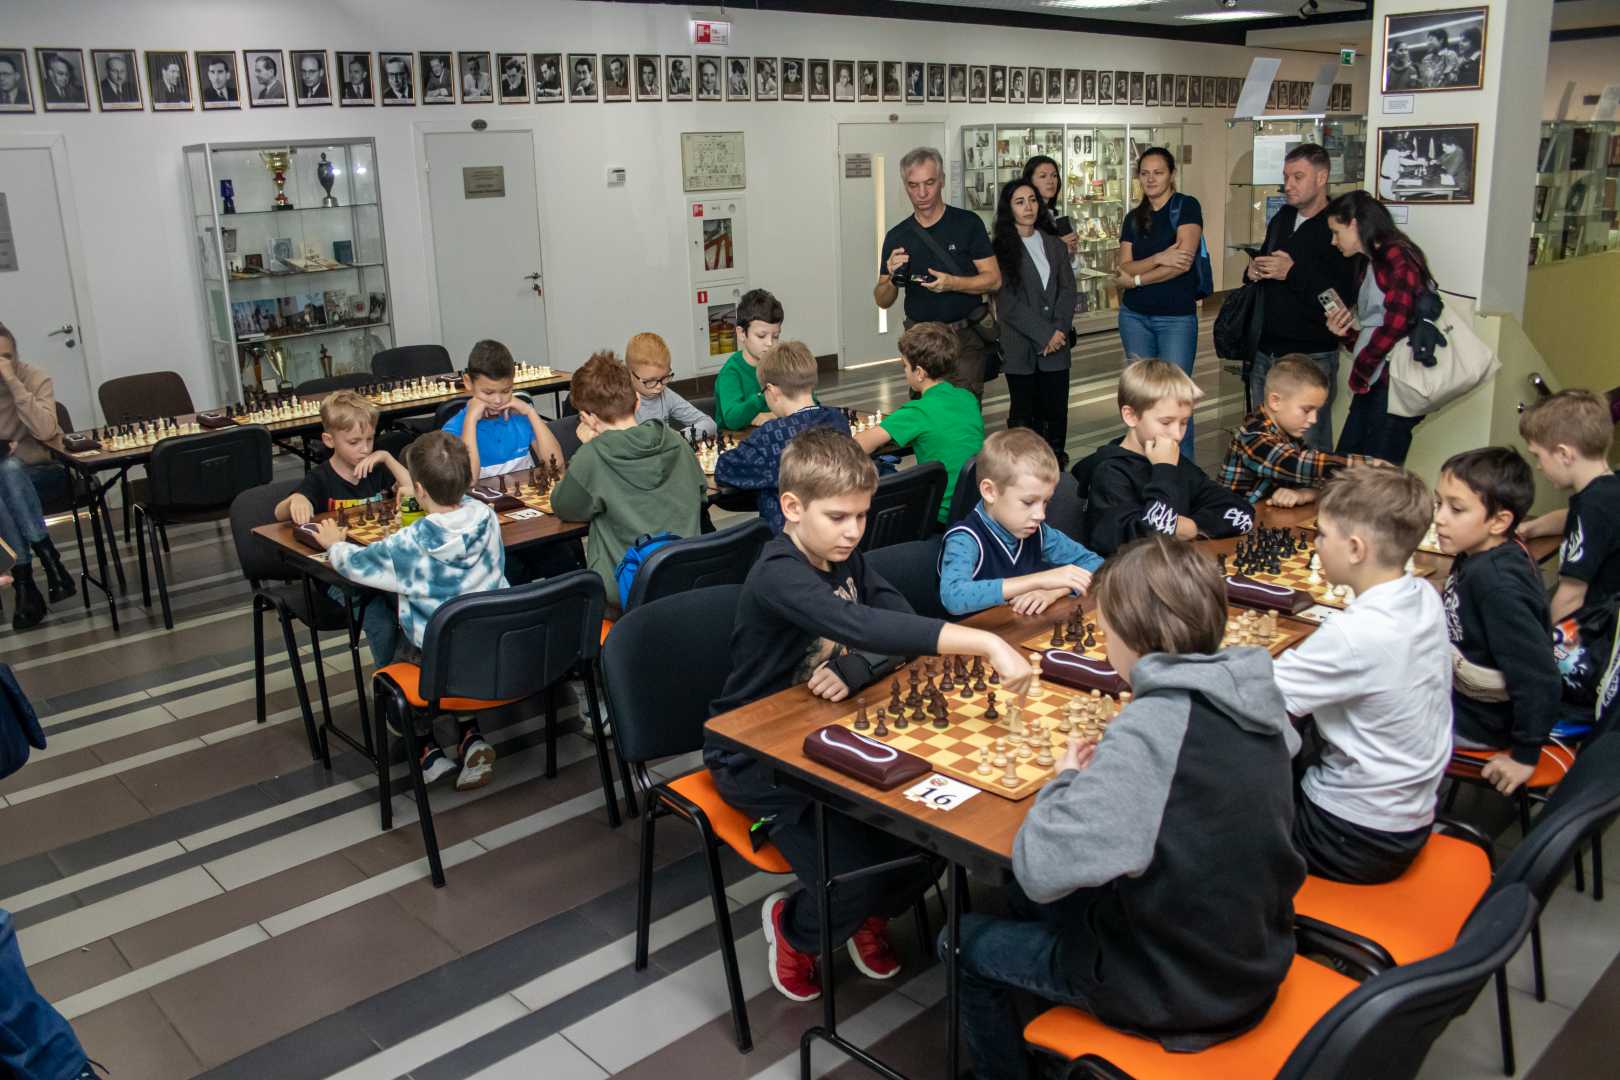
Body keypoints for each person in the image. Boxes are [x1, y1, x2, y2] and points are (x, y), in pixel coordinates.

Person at [955, 535, 1305, 1078]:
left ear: (1129, 634)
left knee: (961, 943)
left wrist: (1065, 782)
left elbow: (1039, 867)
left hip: (1179, 992)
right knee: (1031, 902)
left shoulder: (1154, 727)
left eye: (1105, 627)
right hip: (1254, 952)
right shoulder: (1254, 695)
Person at [705, 427, 1033, 1003]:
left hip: (831, 729)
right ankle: (797, 930)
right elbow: (860, 624)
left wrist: (858, 668)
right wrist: (984, 643)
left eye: (861, 515)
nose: (854, 531)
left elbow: (896, 618)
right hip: (755, 754)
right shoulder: (779, 571)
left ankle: (865, 915)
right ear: (792, 507)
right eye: (838, 517)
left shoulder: (845, 556)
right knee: (849, 875)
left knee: (931, 844)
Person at [1273, 464, 1451, 883]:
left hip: (1352, 837)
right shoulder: (1423, 595)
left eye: (1321, 534)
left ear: (1355, 549)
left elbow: (1254, 697)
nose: (1316, 544)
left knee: (1214, 812)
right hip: (1409, 813)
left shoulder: (1355, 635)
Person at [311, 432, 506, 790]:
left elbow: (356, 566)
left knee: (393, 665)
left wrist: (334, 545)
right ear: (467, 480)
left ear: (419, 490)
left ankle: (425, 749)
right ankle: (470, 736)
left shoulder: (411, 542)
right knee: (458, 643)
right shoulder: (486, 517)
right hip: (491, 642)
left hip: (434, 653)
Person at [1434, 448, 1562, 796]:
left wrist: (1524, 756)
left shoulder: (1498, 585)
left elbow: (1539, 677)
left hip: (1478, 723)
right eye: (1438, 503)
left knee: (1362, 711)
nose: (1439, 518)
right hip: (1462, 699)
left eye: (1456, 509)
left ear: (1499, 521)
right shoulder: (1479, 555)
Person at [550, 353, 706, 617]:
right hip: (688, 579)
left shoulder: (593, 457)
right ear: (637, 402)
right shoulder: (676, 441)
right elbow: (701, 492)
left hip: (627, 593)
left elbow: (564, 506)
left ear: (587, 418)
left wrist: (588, 447)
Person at [275, 390, 413, 665]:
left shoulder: (376, 468)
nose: (365, 449)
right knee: (381, 622)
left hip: (379, 564)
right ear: (329, 440)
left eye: (370, 439)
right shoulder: (320, 478)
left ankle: (404, 674)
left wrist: (387, 457)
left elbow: (412, 491)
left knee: (413, 606)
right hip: (338, 576)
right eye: (354, 442)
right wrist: (296, 499)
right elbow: (279, 513)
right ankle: (387, 682)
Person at [1074, 358, 1254, 557]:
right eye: (1166, 422)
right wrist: (1164, 470)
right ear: (1131, 416)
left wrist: (1191, 527)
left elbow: (1243, 514)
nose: (1177, 434)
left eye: (1184, 422)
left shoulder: (1175, 462)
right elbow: (1155, 539)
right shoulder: (1110, 474)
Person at [1246, 144, 1359, 452]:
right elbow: (1267, 261)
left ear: (1321, 178)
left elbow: (1340, 299)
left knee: (1309, 447)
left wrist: (1292, 272)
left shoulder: (1338, 227)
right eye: (1286, 176)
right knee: (1263, 442)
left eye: (1298, 177)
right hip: (1266, 350)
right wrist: (1254, 270)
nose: (1288, 185)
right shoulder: (1282, 217)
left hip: (1311, 354)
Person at [1322, 190, 1436, 467]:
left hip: (1390, 382)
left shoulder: (1396, 257)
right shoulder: (1373, 262)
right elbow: (1378, 330)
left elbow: (1397, 323)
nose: (1334, 241)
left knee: (1374, 474)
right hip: (1377, 380)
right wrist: (1347, 335)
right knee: (1349, 465)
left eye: (1336, 232)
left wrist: (1361, 369)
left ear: (1354, 224)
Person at [876, 147, 1002, 398]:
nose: (922, 193)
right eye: (913, 185)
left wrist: (952, 283)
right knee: (924, 413)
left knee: (962, 412)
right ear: (905, 185)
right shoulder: (897, 236)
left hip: (963, 339)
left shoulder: (967, 224)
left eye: (929, 183)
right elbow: (882, 299)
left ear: (942, 180)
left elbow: (994, 280)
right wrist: (890, 278)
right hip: (920, 343)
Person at [938, 428, 1101, 617]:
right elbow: (954, 597)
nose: (1040, 515)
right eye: (1028, 502)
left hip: (1020, 629)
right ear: (990, 491)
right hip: (971, 634)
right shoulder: (964, 539)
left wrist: (1055, 591)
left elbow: (1097, 564)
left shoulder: (1040, 533)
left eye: (1046, 502)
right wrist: (1039, 580)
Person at [1113, 147, 1204, 457]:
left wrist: (1138, 279)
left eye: (1158, 172)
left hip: (1175, 318)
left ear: (1172, 175)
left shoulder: (1186, 207)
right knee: (1142, 397)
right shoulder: (1133, 218)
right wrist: (1159, 257)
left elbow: (1182, 263)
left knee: (1176, 398)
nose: (1151, 179)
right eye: (1145, 173)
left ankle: (1181, 470)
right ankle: (1145, 464)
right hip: (1134, 317)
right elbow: (1124, 267)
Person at [854, 323, 985, 526]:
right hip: (973, 505)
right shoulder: (967, 398)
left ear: (920, 373)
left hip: (937, 513)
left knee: (880, 472)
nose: (904, 371)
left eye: (905, 366)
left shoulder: (918, 411)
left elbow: (857, 445)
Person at [715, 341, 850, 533]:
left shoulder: (770, 435)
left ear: (772, 390)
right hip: (836, 526)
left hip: (789, 537)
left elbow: (724, 470)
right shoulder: (837, 420)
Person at [991, 177, 1076, 466]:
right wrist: (1044, 334)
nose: (1028, 207)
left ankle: (1055, 467)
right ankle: (1023, 469)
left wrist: (1059, 330)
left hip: (1057, 344)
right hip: (1020, 345)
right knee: (1024, 412)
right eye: (1019, 202)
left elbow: (1068, 290)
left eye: (1032, 200)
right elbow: (1007, 303)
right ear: (1009, 209)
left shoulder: (1054, 245)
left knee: (1056, 411)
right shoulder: (999, 249)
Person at [1517, 390, 1620, 624]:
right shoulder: (1608, 491)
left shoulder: (1592, 506)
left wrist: (1543, 641)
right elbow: (1571, 517)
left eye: (1538, 456)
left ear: (1564, 454)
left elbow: (1571, 597)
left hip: (1596, 629)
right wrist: (1532, 528)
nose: (1539, 466)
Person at [1217, 355, 1365, 506]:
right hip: (1230, 517)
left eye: (1316, 411)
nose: (1314, 419)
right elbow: (1297, 464)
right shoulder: (1252, 436)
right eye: (1307, 410)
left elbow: (1317, 479)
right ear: (1275, 401)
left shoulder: (1290, 436)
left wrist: (1306, 493)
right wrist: (1367, 466)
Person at [0, 324, 72, 628]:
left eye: (6, 356)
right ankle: (49, 562)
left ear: (16, 355)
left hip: (45, 472)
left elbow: (45, 431)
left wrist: (14, 384)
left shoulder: (33, 377)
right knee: (7, 470)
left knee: (9, 470)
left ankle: (24, 583)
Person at [441, 339, 568, 479]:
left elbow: (556, 467)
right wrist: (470, 421)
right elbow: (469, 480)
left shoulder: (520, 417)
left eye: (506, 391)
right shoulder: (455, 427)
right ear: (468, 383)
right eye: (488, 392)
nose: (498, 400)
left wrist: (530, 412)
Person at [714, 288, 784, 430]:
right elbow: (733, 419)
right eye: (761, 336)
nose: (770, 343)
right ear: (741, 334)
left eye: (775, 336)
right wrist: (765, 394)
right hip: (739, 439)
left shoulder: (783, 364)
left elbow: (811, 403)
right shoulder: (731, 372)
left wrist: (774, 415)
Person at [626, 332, 715, 437]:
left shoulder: (666, 395)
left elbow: (709, 424)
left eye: (664, 378)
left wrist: (676, 438)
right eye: (650, 381)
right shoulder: (621, 402)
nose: (659, 387)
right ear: (630, 374)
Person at [1021, 155, 1080, 260]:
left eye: (1054, 176)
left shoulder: (1056, 217)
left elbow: (1073, 266)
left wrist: (1071, 250)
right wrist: (1059, 248)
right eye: (1043, 176)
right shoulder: (1023, 218)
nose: (1050, 181)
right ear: (1029, 181)